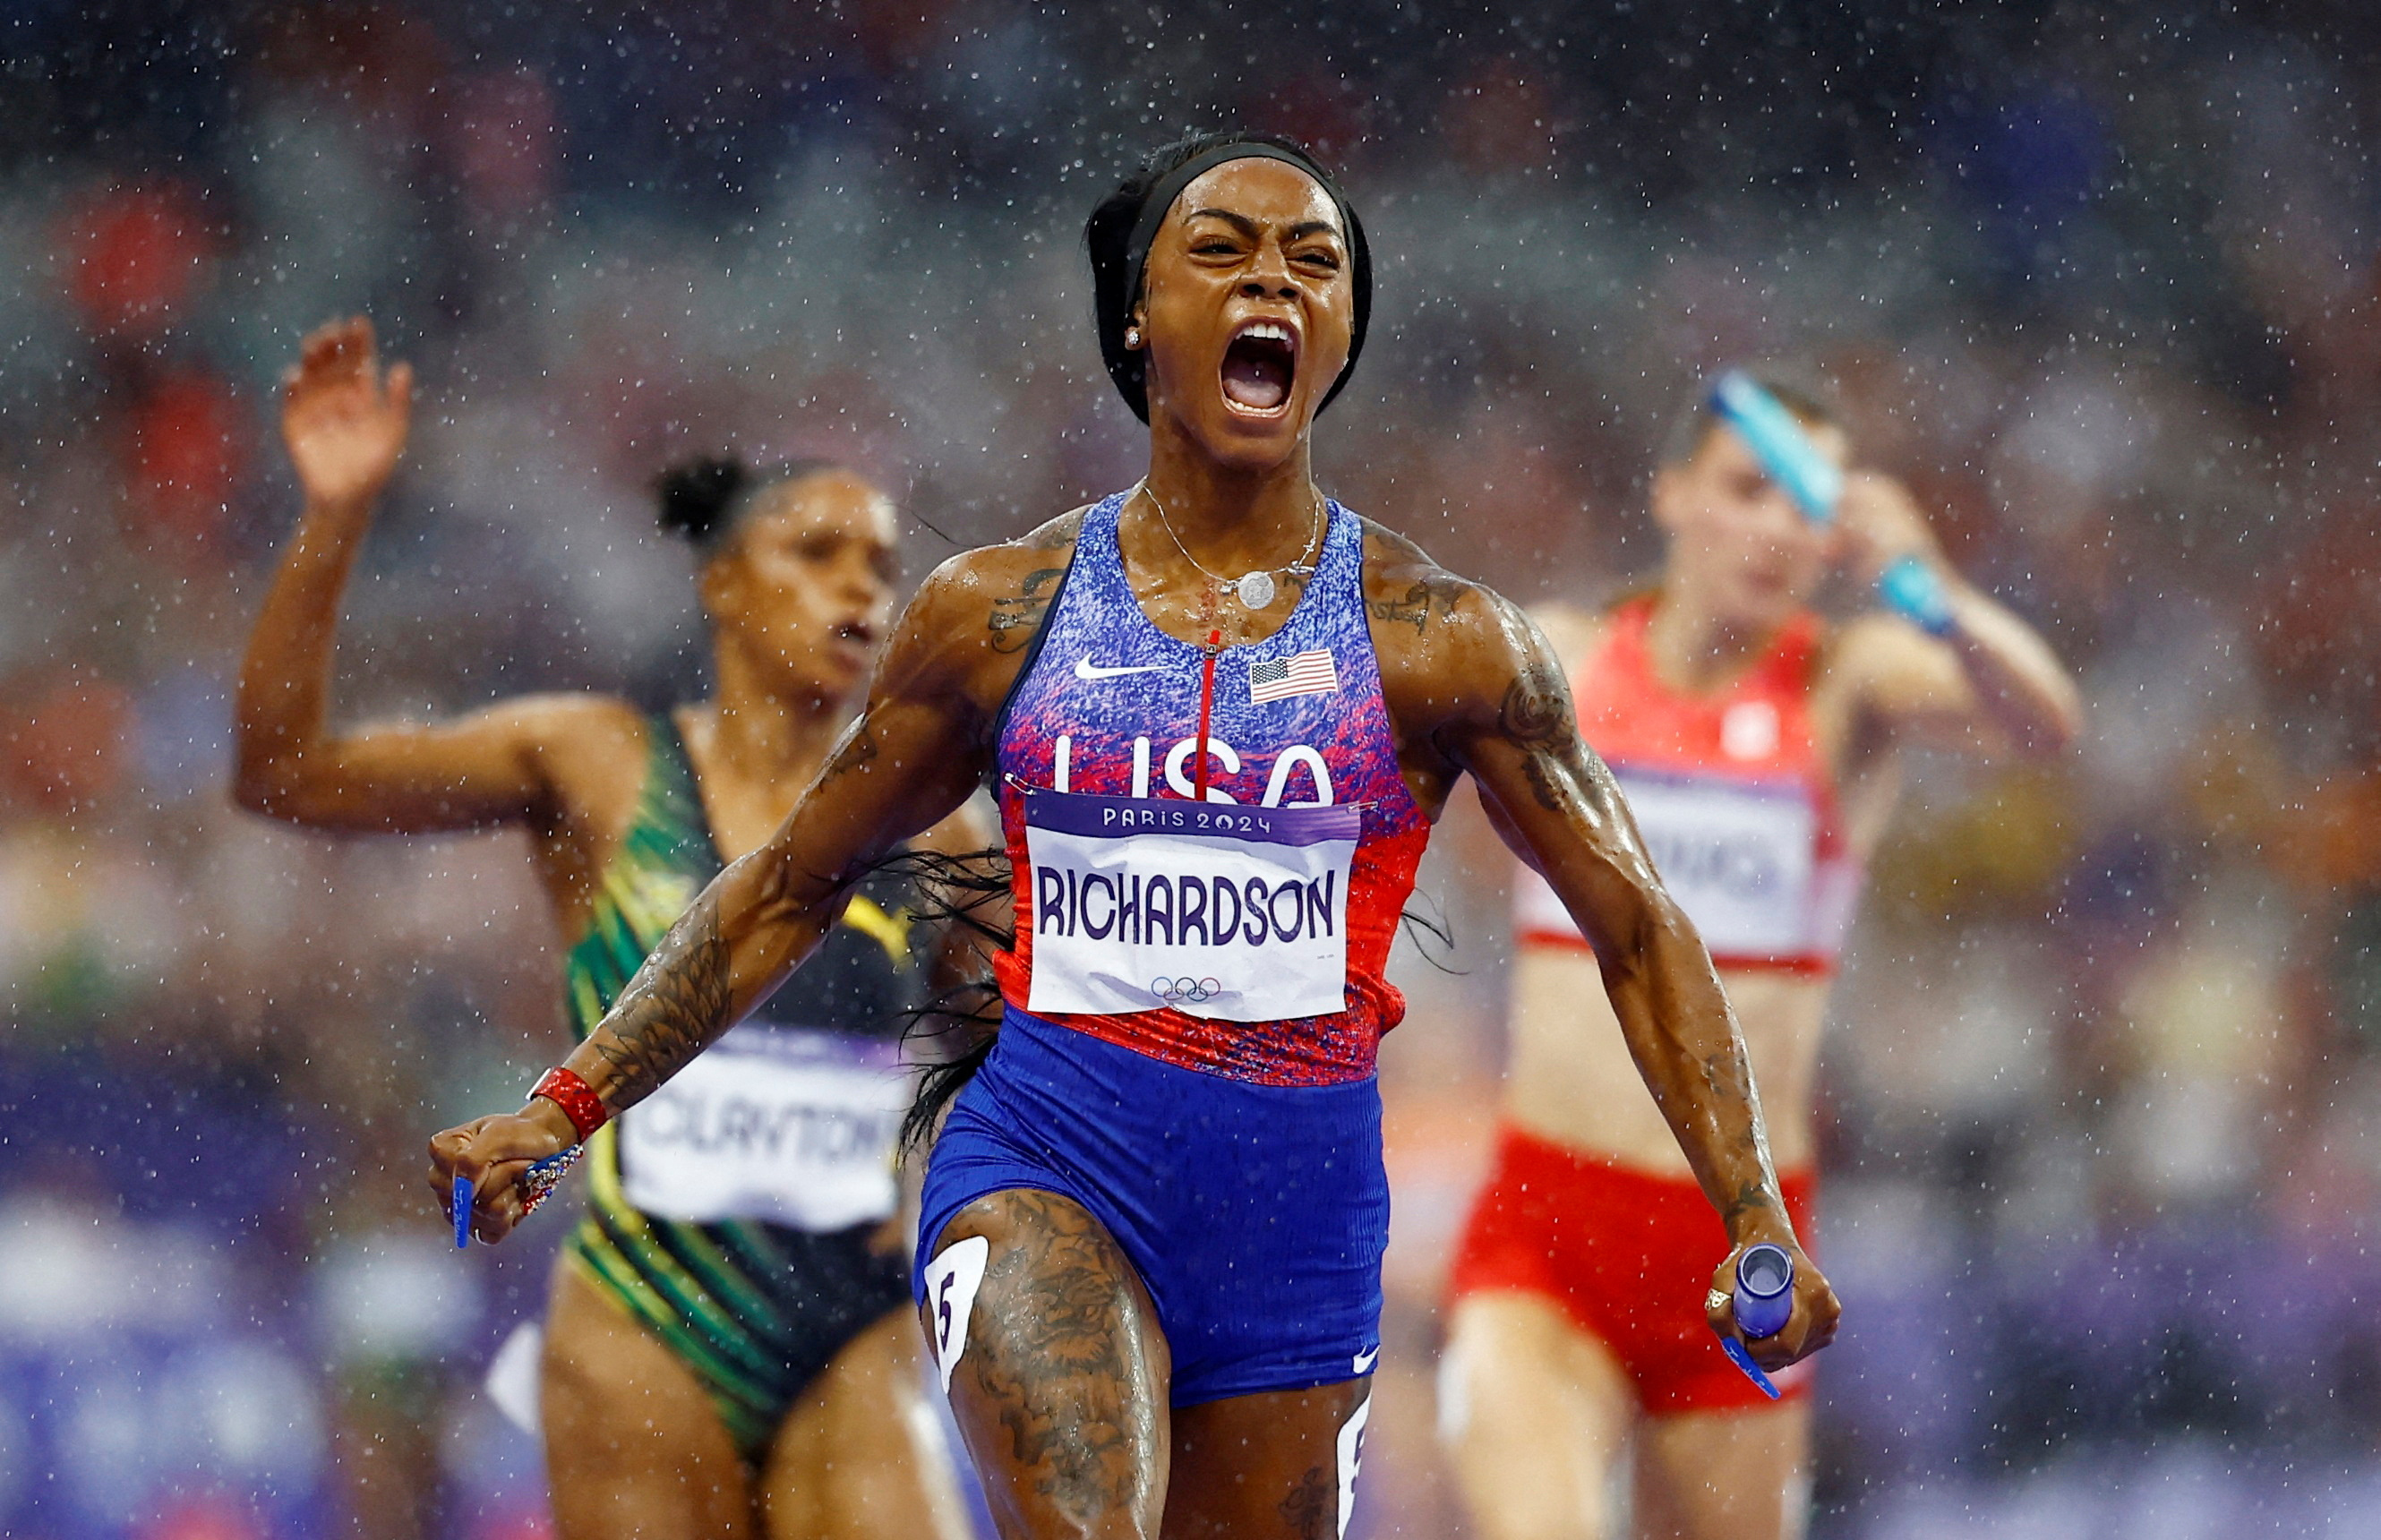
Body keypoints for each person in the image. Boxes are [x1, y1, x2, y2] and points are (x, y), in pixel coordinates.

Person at [427, 133, 1842, 1540]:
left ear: (1341, 330)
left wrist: (1752, 1209)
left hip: (1302, 1227)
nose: (1271, 282)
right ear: (1136, 317)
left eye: (1313, 261)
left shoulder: (1446, 643)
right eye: (1220, 252)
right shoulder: (999, 612)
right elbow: (794, 879)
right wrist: (565, 1108)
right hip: (1048, 1160)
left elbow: (1641, 928)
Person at [234, 317, 974, 1540]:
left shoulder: (940, 827)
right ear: (724, 585)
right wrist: (334, 518)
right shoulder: (603, 769)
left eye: (880, 563)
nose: (860, 587)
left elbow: (1015, 1061)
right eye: (818, 551)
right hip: (647, 1324)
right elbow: (286, 774)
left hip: (852, 1328)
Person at [1439, 368, 2084, 1540]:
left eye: (1806, 503)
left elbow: (2044, 722)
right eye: (1746, 489)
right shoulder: (1565, 663)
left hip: (1745, 1257)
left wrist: (1931, 586)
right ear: (1672, 493)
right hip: (1548, 1226)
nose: (1778, 527)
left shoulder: (1848, 685)